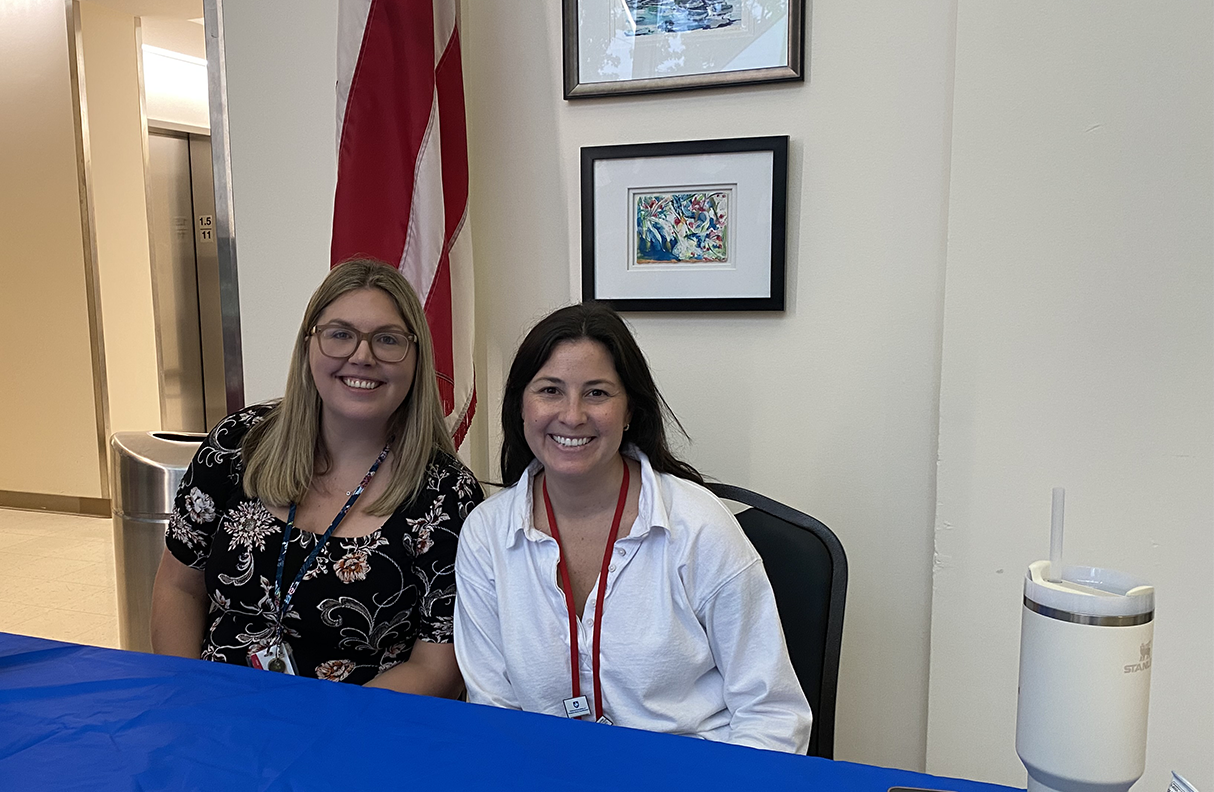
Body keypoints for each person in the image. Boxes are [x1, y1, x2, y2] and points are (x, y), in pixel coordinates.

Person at [453, 302, 811, 750]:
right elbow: (495, 713)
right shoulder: (486, 535)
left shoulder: (698, 526)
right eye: (550, 390)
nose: (573, 415)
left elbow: (772, 713)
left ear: (629, 412)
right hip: (550, 775)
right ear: (520, 405)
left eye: (597, 393)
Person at [151, 258, 482, 697]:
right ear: (308, 345)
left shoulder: (447, 495)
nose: (362, 356)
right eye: (340, 334)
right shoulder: (236, 446)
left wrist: (320, 737)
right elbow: (179, 587)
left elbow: (438, 665)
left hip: (358, 740)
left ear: (416, 357)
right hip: (218, 719)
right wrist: (187, 700)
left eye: (388, 340)